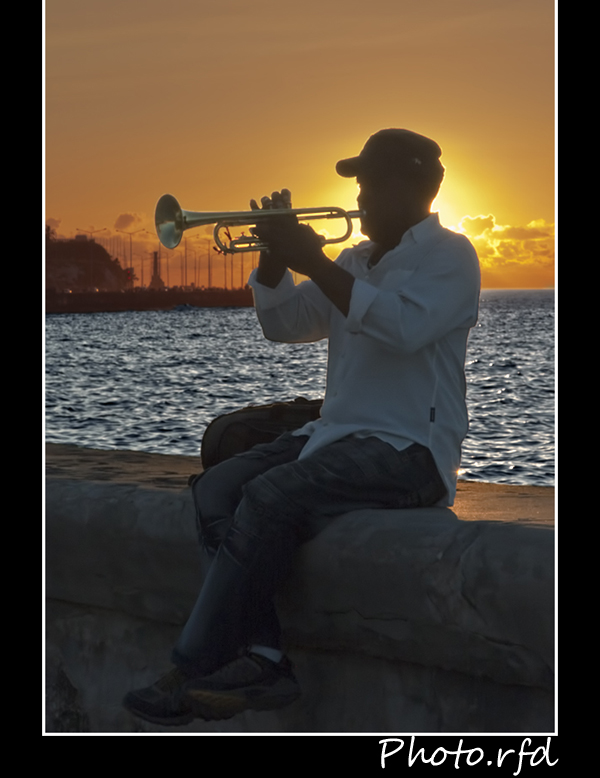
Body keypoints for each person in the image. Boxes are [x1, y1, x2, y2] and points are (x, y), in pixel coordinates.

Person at [122, 127, 481, 726]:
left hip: (410, 451)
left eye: (370, 180)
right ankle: (263, 654)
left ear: (412, 187)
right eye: (358, 181)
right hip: (337, 436)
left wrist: (311, 257)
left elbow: (402, 329)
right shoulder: (355, 259)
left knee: (270, 496)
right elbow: (284, 326)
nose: (359, 193)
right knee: (215, 487)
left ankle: (192, 665)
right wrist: (273, 258)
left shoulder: (450, 255)